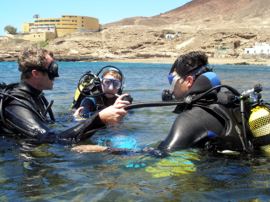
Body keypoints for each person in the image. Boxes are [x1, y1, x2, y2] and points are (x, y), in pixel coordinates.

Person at [72, 51, 253, 154]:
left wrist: (101, 150)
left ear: (189, 81)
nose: (171, 90)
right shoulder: (229, 99)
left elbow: (159, 155)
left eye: (172, 82)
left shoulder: (192, 119)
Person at [0, 47, 130, 145]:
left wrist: (73, 118)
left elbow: (48, 124)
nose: (56, 75)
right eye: (52, 69)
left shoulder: (35, 97)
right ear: (36, 74)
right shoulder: (16, 104)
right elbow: (50, 139)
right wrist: (99, 119)